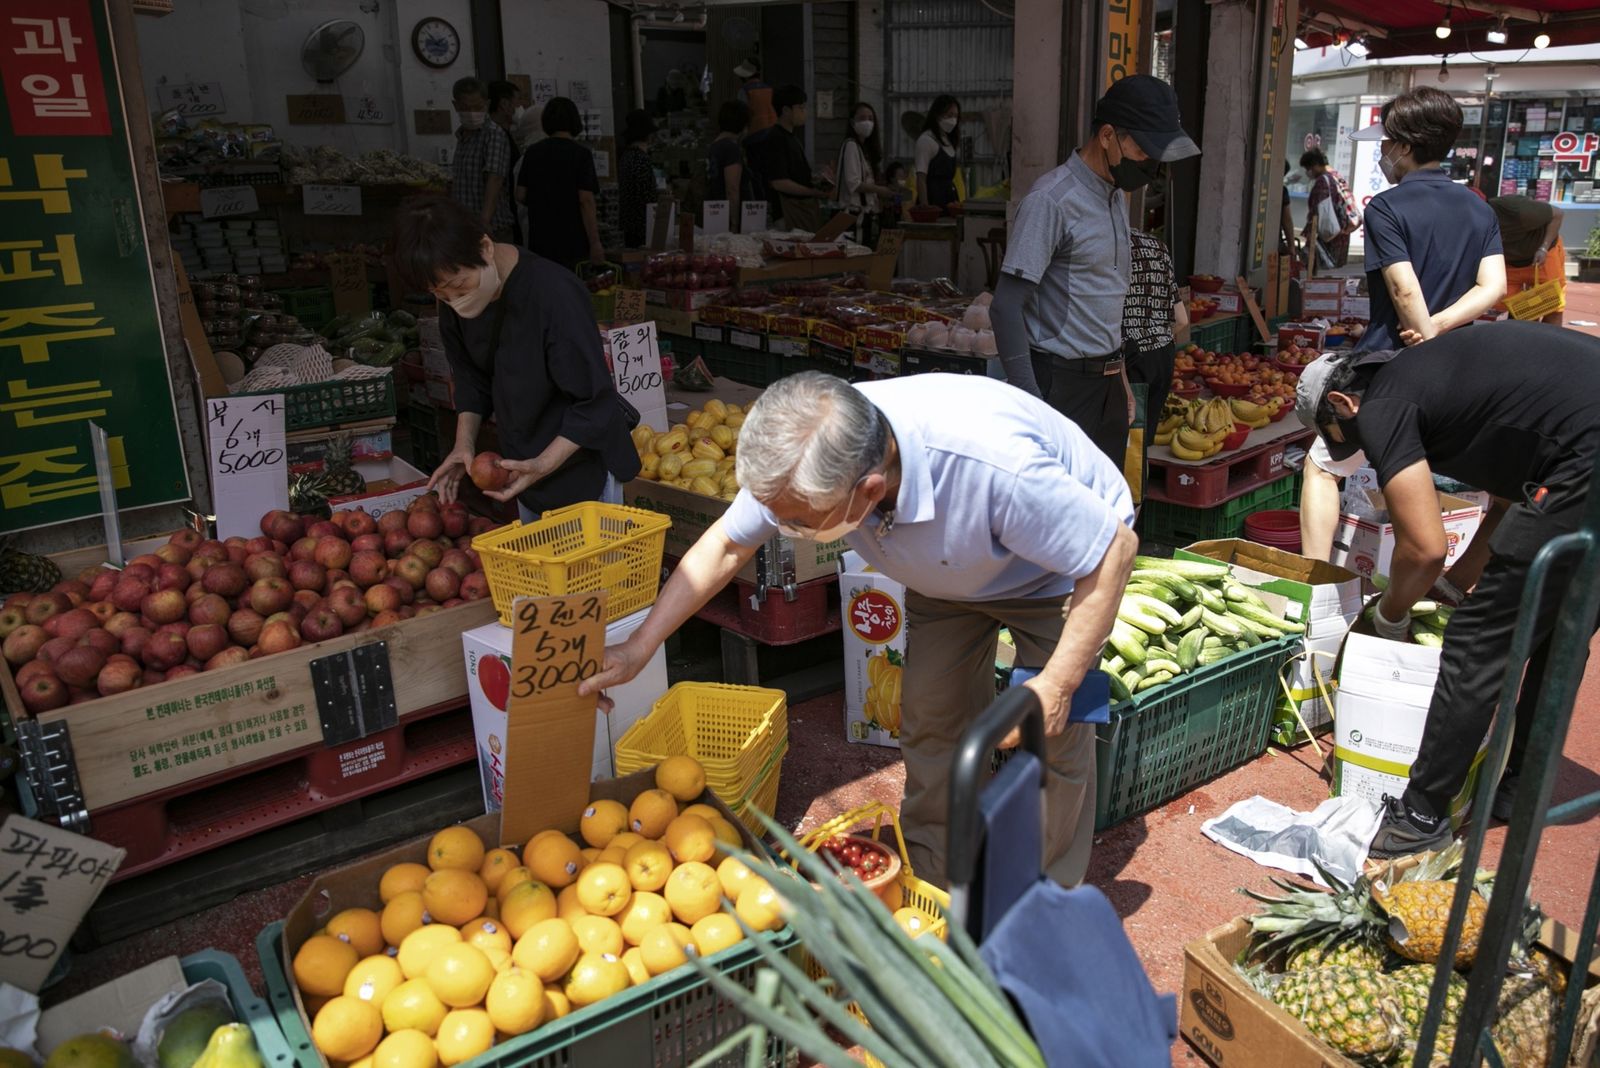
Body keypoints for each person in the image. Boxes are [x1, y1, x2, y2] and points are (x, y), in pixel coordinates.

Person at [580, 371, 1137, 887]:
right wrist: (639, 646)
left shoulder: (994, 468)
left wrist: (1059, 683)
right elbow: (727, 544)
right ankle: (934, 877)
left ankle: (1038, 898)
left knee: (1052, 738)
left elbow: (1114, 549)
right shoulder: (808, 449)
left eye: (797, 521)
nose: (785, 528)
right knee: (930, 718)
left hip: (1059, 575)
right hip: (946, 575)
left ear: (870, 490)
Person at [1292, 322, 1599, 857]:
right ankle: (1523, 782)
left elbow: (1424, 548)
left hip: (1588, 457)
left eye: (1341, 439)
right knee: (1559, 627)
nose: (1354, 453)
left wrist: (1388, 615)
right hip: (1580, 442)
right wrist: (1455, 589)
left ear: (1344, 402)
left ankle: (1420, 816)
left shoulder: (1384, 405)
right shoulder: (1439, 381)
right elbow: (1506, 502)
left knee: (1478, 642)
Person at [1299, 88, 1506, 561]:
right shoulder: (1479, 206)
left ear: (1406, 147)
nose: (1384, 154)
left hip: (1391, 367)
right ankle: (1447, 588)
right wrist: (1443, 327)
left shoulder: (1387, 207)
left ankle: (1312, 582)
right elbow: (1493, 286)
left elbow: (1404, 289)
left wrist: (1424, 333)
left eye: (1387, 143)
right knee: (1463, 483)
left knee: (1324, 469)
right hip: (1464, 370)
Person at [991, 75, 1199, 466]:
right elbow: (1005, 307)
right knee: (1056, 518)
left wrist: (1117, 375)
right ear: (1107, 135)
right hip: (1058, 386)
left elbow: (1105, 295)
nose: (1151, 165)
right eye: (1144, 150)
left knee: (1106, 509)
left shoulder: (1114, 196)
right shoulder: (1051, 201)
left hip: (1107, 384)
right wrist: (1030, 401)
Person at [394, 195, 640, 521]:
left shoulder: (554, 293)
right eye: (441, 294)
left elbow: (594, 401)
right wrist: (463, 445)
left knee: (591, 570)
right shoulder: (454, 305)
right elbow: (470, 377)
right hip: (523, 469)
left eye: (460, 286)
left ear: (485, 248)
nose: (455, 301)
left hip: (581, 466)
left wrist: (545, 463)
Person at [516, 96, 605, 271]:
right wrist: (595, 242)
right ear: (575, 122)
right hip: (573, 241)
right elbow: (585, 200)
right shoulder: (581, 154)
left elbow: (520, 194)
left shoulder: (532, 153)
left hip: (540, 240)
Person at [1123, 229, 1188, 431]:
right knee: (1142, 445)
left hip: (1129, 357)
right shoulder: (1157, 245)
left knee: (1124, 443)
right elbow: (1181, 319)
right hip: (1162, 354)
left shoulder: (1113, 245)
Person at [754, 85, 832, 233]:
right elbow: (779, 182)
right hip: (787, 213)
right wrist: (813, 192)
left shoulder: (792, 137)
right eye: (801, 108)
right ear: (785, 110)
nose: (804, 112)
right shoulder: (776, 138)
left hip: (799, 211)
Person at [449, 77, 516, 242]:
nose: (472, 112)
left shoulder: (493, 134)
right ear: (456, 105)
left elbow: (495, 179)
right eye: (466, 108)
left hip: (491, 229)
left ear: (486, 104)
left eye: (477, 107)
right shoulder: (462, 137)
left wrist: (484, 222)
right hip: (465, 227)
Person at [1490, 195, 1566, 325]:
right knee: (1506, 307)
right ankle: (1520, 339)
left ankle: (1550, 342)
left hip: (1543, 256)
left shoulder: (1515, 209)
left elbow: (1558, 214)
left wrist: (1543, 248)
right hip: (1510, 263)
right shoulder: (1471, 221)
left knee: (1552, 305)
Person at [837, 102, 899, 246]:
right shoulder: (851, 145)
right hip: (854, 214)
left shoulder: (864, 149)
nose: (867, 122)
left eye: (870, 118)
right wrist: (879, 190)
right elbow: (854, 183)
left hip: (865, 214)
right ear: (852, 122)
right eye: (862, 118)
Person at [1299, 148, 1358, 271]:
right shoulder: (1336, 176)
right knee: (1336, 274)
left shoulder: (1322, 181)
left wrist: (1309, 235)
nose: (1308, 172)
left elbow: (1316, 213)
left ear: (1315, 165)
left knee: (1324, 273)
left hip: (1328, 236)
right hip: (1342, 233)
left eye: (1308, 168)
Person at [707, 100, 759, 229]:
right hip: (729, 219)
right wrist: (734, 223)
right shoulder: (730, 148)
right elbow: (732, 189)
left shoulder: (714, 146)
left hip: (716, 214)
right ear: (743, 125)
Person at [617, 109, 658, 248]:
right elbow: (648, 197)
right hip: (643, 228)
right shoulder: (641, 159)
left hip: (628, 226)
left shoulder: (625, 157)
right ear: (648, 135)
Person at [915, 95, 962, 210]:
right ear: (937, 114)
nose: (953, 120)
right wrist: (925, 206)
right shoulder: (926, 140)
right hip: (933, 201)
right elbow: (921, 177)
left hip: (950, 200)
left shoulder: (948, 141)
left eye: (956, 116)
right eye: (949, 115)